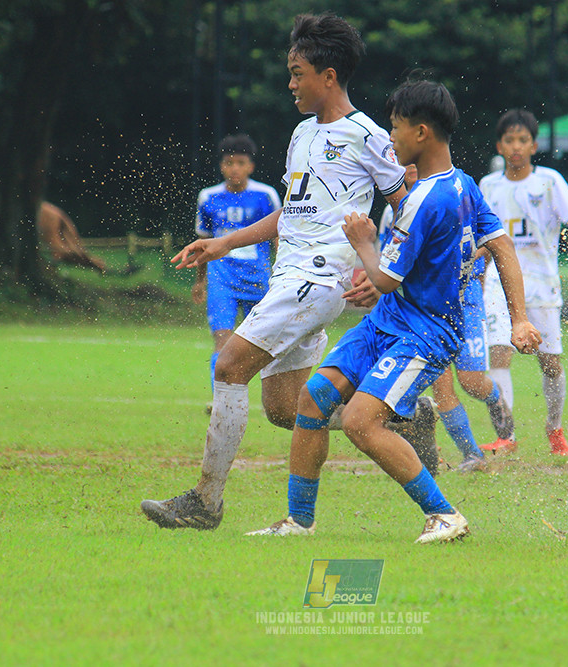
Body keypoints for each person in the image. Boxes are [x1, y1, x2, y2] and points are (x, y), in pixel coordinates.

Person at [139, 12, 413, 531]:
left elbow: (407, 204)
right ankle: (389, 413)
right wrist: (222, 242)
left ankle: (204, 502)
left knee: (227, 366)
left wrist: (380, 271)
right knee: (288, 410)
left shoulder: (366, 135)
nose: (290, 84)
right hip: (289, 275)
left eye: (297, 72)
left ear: (327, 77)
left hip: (319, 278)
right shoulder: (301, 134)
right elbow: (291, 210)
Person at [246, 78, 541, 543]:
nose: (389, 138)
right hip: (389, 321)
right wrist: (520, 316)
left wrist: (364, 244)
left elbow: (384, 278)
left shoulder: (424, 199)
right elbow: (501, 246)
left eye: (396, 128)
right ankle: (298, 521)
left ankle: (444, 514)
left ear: (421, 133)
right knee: (313, 398)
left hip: (425, 334)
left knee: (361, 422)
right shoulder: (461, 184)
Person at [478, 109, 568, 457]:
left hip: (541, 286)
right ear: (500, 146)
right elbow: (484, 240)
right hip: (498, 286)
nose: (516, 147)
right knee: (498, 353)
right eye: (509, 140)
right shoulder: (489, 186)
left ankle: (554, 427)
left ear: (533, 146)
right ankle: (506, 433)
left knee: (549, 362)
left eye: (522, 140)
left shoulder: (549, 181)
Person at [378, 169, 513, 473]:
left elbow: (490, 241)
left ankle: (494, 398)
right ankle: (473, 455)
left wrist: (466, 264)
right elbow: (388, 259)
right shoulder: (393, 212)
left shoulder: (455, 195)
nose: (408, 168)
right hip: (427, 308)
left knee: (472, 381)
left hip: (465, 302)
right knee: (442, 386)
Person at [193, 134, 280, 392]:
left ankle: (273, 398)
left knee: (267, 341)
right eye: (229, 163)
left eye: (241, 163)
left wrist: (281, 275)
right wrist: (200, 281)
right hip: (222, 279)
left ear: (251, 166)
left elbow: (277, 239)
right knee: (222, 338)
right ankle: (219, 398)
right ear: (221, 166)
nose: (235, 169)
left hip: (259, 277)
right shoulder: (208, 197)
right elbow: (203, 244)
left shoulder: (266, 195)